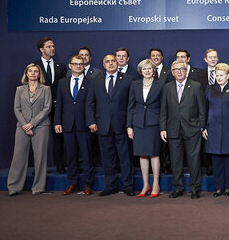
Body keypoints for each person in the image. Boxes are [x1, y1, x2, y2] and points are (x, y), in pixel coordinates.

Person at [87, 54, 135, 196]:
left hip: (122, 125)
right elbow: (90, 102)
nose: (111, 63)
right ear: (103, 64)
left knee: (125, 158)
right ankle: (111, 185)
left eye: (113, 61)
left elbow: (131, 104)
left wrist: (129, 124)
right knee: (107, 158)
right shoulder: (96, 80)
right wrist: (91, 121)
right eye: (107, 61)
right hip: (103, 125)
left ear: (117, 63)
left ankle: (128, 186)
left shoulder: (128, 79)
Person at [160, 60, 207, 199]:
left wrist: (201, 126)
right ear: (172, 72)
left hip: (192, 129)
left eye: (182, 69)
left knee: (194, 161)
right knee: (176, 161)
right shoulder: (167, 87)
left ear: (186, 71)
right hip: (173, 129)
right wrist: (163, 128)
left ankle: (194, 188)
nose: (179, 71)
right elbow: (163, 110)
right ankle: (178, 187)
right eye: (176, 69)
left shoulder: (196, 86)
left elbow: (202, 109)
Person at [7, 63, 52, 196]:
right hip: (22, 127)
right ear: (26, 74)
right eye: (30, 71)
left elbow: (47, 108)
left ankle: (38, 187)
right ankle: (14, 187)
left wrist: (32, 124)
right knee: (18, 157)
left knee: (40, 158)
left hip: (41, 127)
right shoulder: (19, 89)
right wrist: (25, 125)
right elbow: (16, 108)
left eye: (36, 71)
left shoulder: (46, 89)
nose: (33, 73)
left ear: (39, 74)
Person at [54, 55, 94, 195]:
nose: (78, 66)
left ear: (84, 66)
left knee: (87, 156)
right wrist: (57, 122)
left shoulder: (91, 82)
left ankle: (88, 185)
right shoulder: (62, 82)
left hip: (84, 124)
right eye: (75, 64)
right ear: (70, 66)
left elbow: (92, 104)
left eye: (80, 64)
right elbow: (59, 104)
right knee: (70, 156)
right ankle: (73, 184)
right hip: (67, 124)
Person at [127, 59, 164, 198]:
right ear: (140, 71)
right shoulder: (134, 84)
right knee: (142, 154)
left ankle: (155, 185)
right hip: (138, 123)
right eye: (145, 69)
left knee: (154, 153)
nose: (147, 71)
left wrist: (163, 126)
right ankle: (145, 185)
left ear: (153, 70)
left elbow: (163, 107)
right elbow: (130, 106)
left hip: (153, 123)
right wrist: (129, 126)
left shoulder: (160, 85)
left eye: (150, 68)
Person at [203, 63, 229, 197]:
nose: (219, 78)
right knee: (216, 159)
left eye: (221, 75)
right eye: (217, 75)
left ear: (228, 76)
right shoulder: (209, 89)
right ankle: (218, 187)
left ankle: (228, 187)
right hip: (213, 128)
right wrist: (203, 127)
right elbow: (204, 109)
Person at [32, 37, 67, 174]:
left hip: (57, 107)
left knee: (58, 137)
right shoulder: (34, 66)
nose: (52, 49)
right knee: (39, 138)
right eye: (48, 46)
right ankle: (39, 167)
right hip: (40, 108)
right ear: (41, 49)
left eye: (53, 46)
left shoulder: (60, 65)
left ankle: (60, 165)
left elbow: (64, 87)